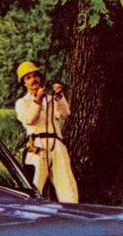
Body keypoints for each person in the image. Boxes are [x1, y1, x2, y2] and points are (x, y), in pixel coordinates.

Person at [15, 61, 78, 203]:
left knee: (67, 185)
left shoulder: (50, 99)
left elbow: (64, 114)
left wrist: (59, 97)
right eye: (28, 78)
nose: (33, 80)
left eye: (35, 76)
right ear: (24, 83)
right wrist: (37, 101)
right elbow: (29, 119)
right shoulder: (22, 102)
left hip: (56, 145)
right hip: (37, 146)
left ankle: (72, 212)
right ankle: (30, 213)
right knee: (35, 186)